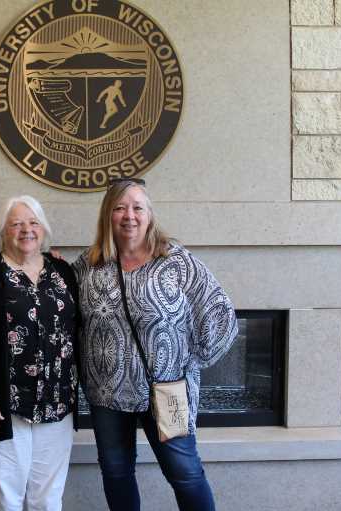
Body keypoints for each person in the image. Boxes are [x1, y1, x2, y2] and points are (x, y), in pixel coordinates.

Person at [73, 178, 238, 511]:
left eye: (137, 207)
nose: (129, 215)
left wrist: (190, 362)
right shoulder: (88, 266)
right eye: (119, 207)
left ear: (149, 215)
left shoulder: (176, 261)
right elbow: (60, 303)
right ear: (107, 215)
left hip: (166, 391)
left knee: (185, 473)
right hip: (108, 392)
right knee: (116, 472)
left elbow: (220, 313)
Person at [0, 195, 79, 511]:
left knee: (48, 497)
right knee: (7, 496)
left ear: (43, 228)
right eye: (17, 224)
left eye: (33, 222)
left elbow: (78, 329)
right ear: (3, 231)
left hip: (57, 402)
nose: (27, 230)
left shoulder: (63, 271)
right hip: (4, 405)